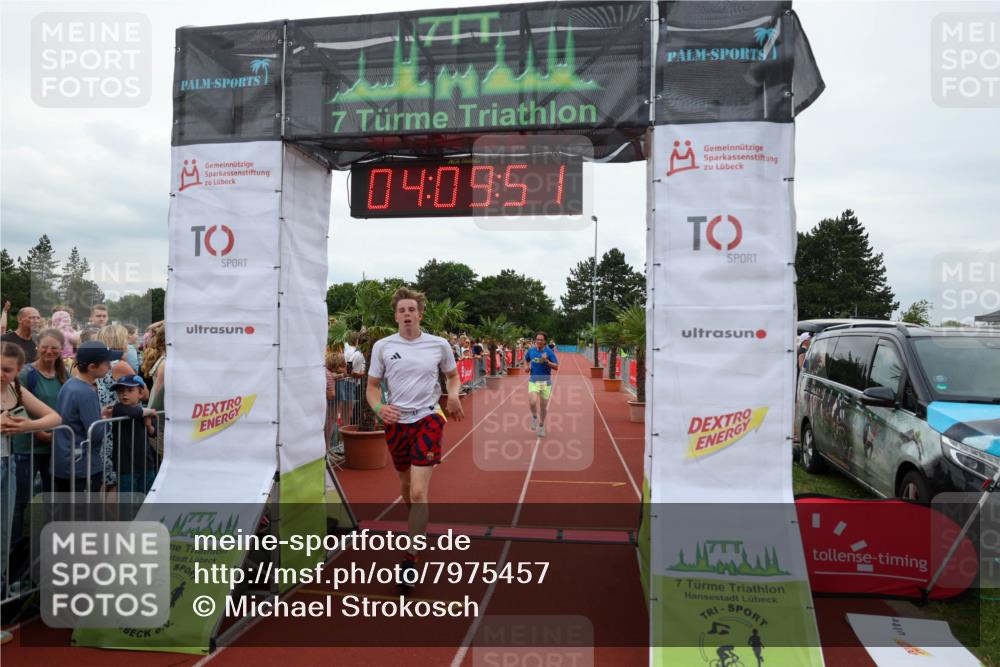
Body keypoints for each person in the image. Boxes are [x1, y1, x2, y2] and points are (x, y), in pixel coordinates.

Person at [367, 288, 463, 587]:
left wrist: (455, 396)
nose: (407, 314)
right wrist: (380, 408)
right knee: (407, 488)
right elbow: (372, 386)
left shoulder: (438, 344)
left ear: (420, 314)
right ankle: (417, 528)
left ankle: (410, 558)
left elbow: (452, 376)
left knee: (419, 492)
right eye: (402, 310)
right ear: (395, 316)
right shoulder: (383, 347)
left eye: (412, 310)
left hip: (428, 417)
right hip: (397, 422)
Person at [1, 342, 61, 599]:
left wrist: (27, 426)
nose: (1, 374)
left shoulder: (16, 390)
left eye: (6, 370)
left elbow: (55, 417)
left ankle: (3, 592)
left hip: (7, 465)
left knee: (4, 532)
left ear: (18, 371)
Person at [11, 329, 68, 543]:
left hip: (54, 446)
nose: (49, 351)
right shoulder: (26, 374)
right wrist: (39, 431)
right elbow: (18, 406)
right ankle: (14, 546)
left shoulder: (64, 375)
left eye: (54, 347)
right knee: (21, 500)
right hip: (27, 447)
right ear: (37, 347)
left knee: (52, 496)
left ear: (62, 350)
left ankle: (48, 540)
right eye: (45, 346)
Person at [53, 341, 120, 493]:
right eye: (106, 363)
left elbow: (73, 417)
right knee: (84, 514)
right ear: (91, 367)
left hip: (66, 462)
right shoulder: (86, 392)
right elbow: (95, 433)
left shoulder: (70, 384)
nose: (110, 366)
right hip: (82, 466)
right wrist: (104, 421)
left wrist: (99, 413)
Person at [94, 325, 142, 490]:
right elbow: (144, 393)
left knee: (106, 480)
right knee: (115, 481)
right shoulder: (120, 365)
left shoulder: (102, 364)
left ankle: (102, 515)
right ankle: (116, 516)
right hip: (119, 428)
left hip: (107, 424)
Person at [102, 375, 157, 496]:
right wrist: (150, 411)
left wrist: (148, 425)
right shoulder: (118, 408)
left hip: (146, 463)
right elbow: (135, 412)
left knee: (147, 498)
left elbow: (153, 433)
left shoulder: (143, 411)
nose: (124, 394)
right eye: (121, 391)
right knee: (127, 502)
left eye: (130, 390)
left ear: (140, 394)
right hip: (126, 466)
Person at [524, 331, 559, 437]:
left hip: (545, 383)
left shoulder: (549, 352)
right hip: (533, 381)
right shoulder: (531, 350)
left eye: (541, 340)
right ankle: (534, 417)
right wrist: (526, 367)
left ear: (545, 341)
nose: (539, 341)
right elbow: (526, 360)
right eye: (537, 339)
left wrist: (547, 361)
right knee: (532, 401)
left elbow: (556, 367)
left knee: (543, 407)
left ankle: (541, 426)